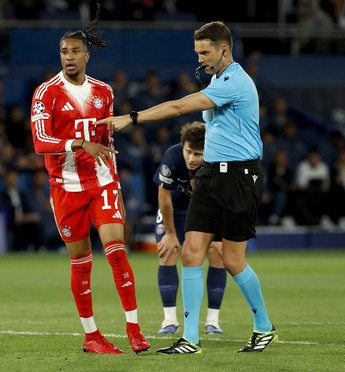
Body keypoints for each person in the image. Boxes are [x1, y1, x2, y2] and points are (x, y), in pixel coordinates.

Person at [97, 21, 277, 354]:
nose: (200, 59)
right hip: (209, 177)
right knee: (192, 253)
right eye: (197, 53)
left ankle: (263, 326)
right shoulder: (217, 80)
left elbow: (179, 107)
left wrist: (131, 117)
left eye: (205, 52)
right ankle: (190, 338)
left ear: (224, 49)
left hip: (240, 177)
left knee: (232, 259)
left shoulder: (235, 82)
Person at [29, 7, 150, 355]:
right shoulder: (45, 93)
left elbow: (108, 142)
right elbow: (40, 143)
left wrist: (117, 185)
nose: (68, 57)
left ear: (86, 55)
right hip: (65, 187)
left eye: (74, 51)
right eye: (64, 52)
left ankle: (134, 328)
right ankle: (91, 336)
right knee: (81, 263)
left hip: (101, 182)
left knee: (116, 253)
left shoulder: (104, 91)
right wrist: (79, 143)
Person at [153, 121, 226, 335]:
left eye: (198, 154)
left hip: (205, 210)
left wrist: (220, 234)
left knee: (217, 252)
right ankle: (169, 320)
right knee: (168, 252)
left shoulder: (218, 160)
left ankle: (213, 321)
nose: (191, 159)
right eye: (188, 152)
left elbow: (224, 199)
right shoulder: (173, 156)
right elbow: (164, 196)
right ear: (182, 146)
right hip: (174, 209)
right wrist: (170, 233)